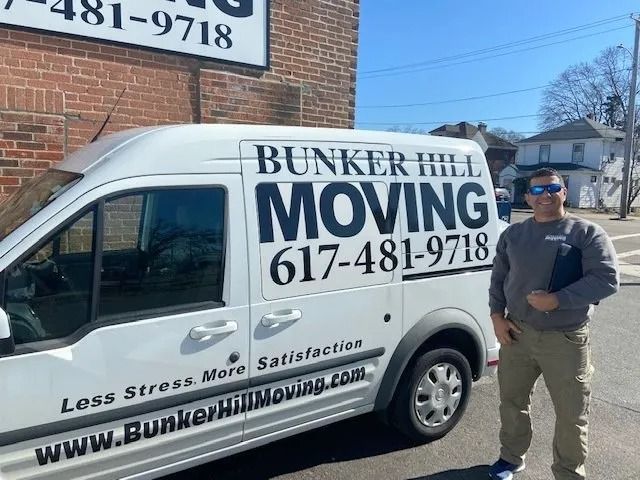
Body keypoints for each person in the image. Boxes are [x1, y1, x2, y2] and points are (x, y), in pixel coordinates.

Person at [487, 168, 619, 480]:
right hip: (516, 333)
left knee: (571, 414)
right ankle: (510, 458)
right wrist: (496, 317)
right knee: (512, 402)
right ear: (526, 197)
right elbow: (499, 279)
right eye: (536, 190)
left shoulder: (585, 232)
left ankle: (568, 473)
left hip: (565, 340)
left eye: (552, 188)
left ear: (563, 192)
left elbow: (606, 279)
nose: (544, 195)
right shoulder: (513, 235)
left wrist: (558, 299)